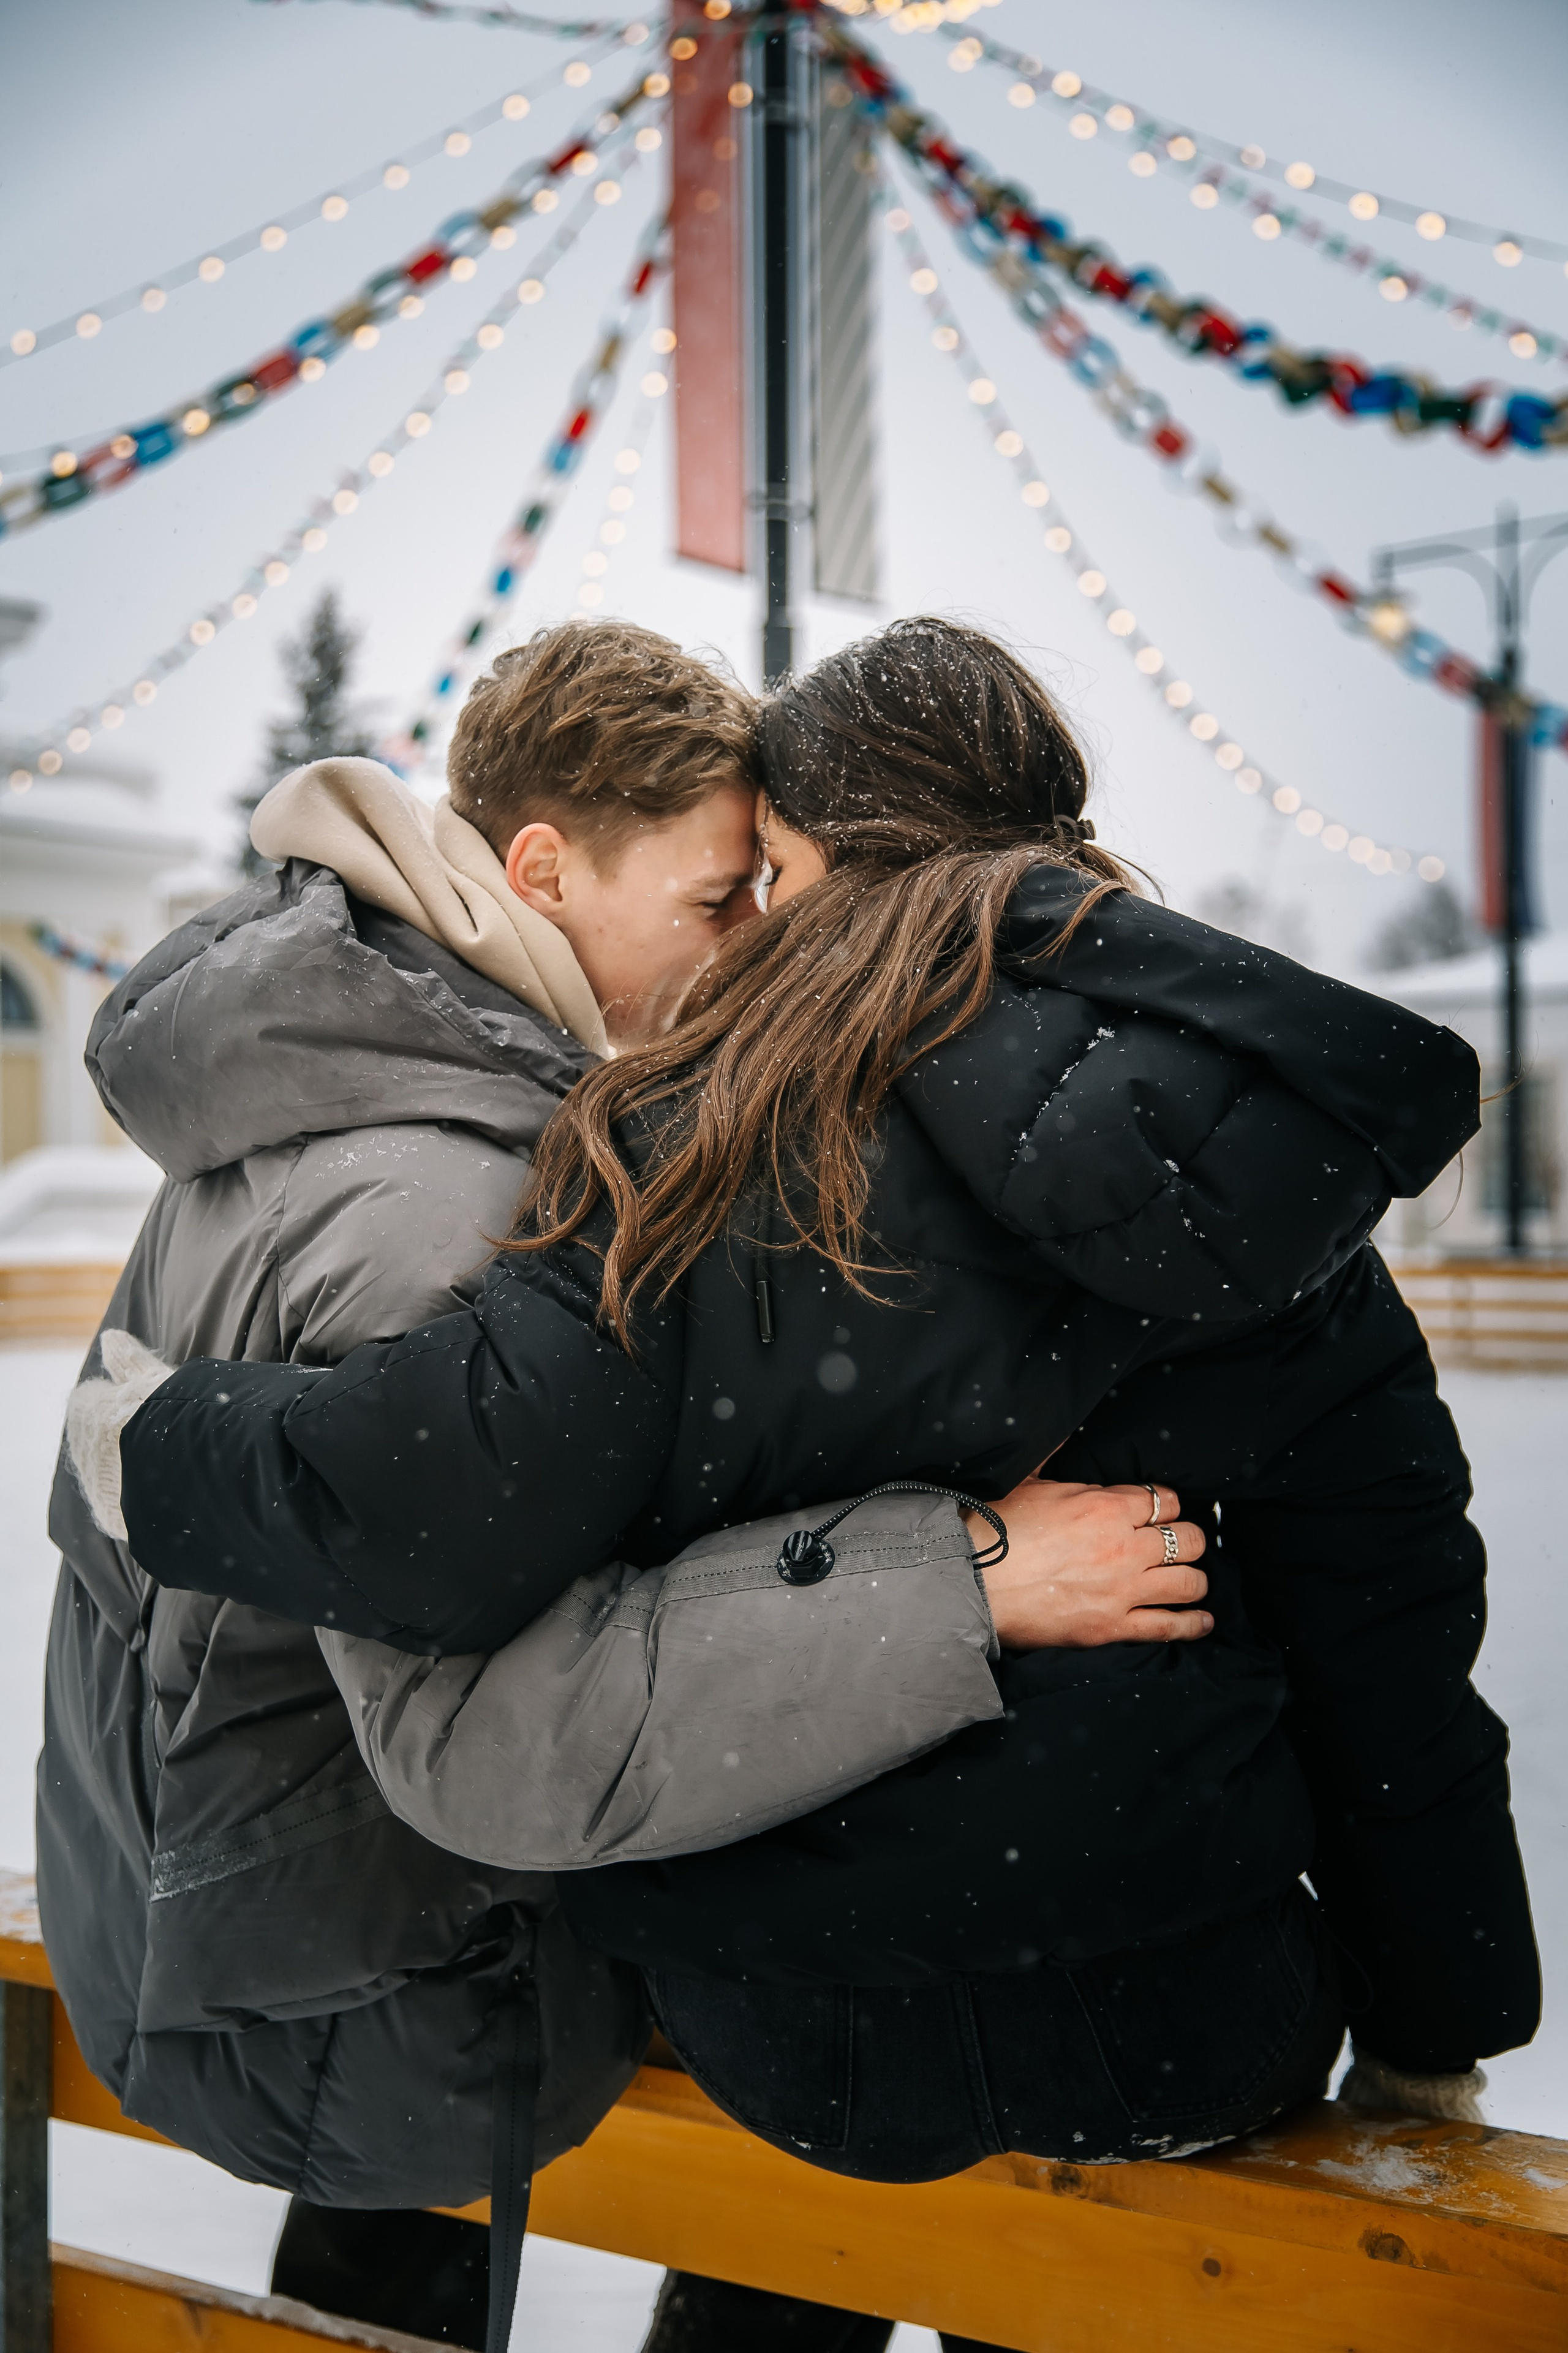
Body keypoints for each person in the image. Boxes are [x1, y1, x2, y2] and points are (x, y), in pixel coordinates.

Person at [102, 621, 1534, 2331]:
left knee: (772, 2269)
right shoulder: (1263, 1181)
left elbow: (440, 1495)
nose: (756, 930)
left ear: (844, 861)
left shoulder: (698, 1156)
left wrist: (159, 1441)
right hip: (1182, 1996)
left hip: (787, 2008)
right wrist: (1439, 2021)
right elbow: (1392, 1636)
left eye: (767, 873)